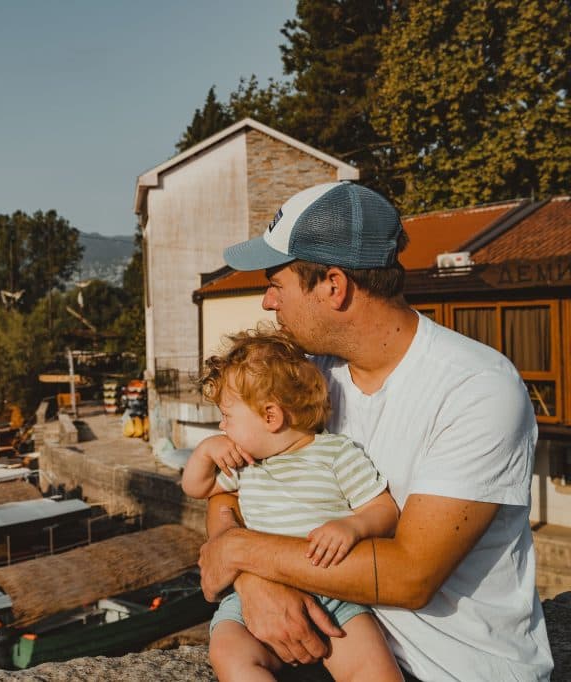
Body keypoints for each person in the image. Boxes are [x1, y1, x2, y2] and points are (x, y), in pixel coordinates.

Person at [198, 181, 552, 681]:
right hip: (344, 651)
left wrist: (238, 551)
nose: (267, 302)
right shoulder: (309, 379)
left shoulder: (475, 388)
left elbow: (411, 575)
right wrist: (255, 581)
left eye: (276, 283)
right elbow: (230, 489)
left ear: (334, 286)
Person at [182, 327, 402, 681]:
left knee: (373, 670)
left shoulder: (335, 453)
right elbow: (197, 486)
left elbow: (384, 510)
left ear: (271, 417)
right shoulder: (245, 463)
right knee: (228, 651)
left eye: (227, 417)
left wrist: (352, 526)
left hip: (336, 595)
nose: (222, 427)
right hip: (255, 594)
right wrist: (206, 450)